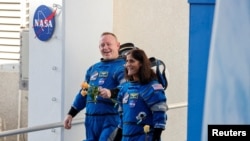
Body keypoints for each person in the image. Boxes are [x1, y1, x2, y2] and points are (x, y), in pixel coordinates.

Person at [63, 32, 126, 141]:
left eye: (109, 44)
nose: (105, 47)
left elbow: (127, 89)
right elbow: (84, 93)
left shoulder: (123, 67)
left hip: (111, 121)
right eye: (102, 45)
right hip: (91, 122)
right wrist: (70, 114)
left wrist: (111, 92)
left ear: (118, 45)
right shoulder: (93, 69)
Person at [111, 49, 168, 141]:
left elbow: (160, 114)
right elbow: (122, 118)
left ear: (141, 63)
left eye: (132, 61)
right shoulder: (124, 89)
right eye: (127, 61)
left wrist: (156, 137)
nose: (128, 64)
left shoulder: (151, 87)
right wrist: (117, 137)